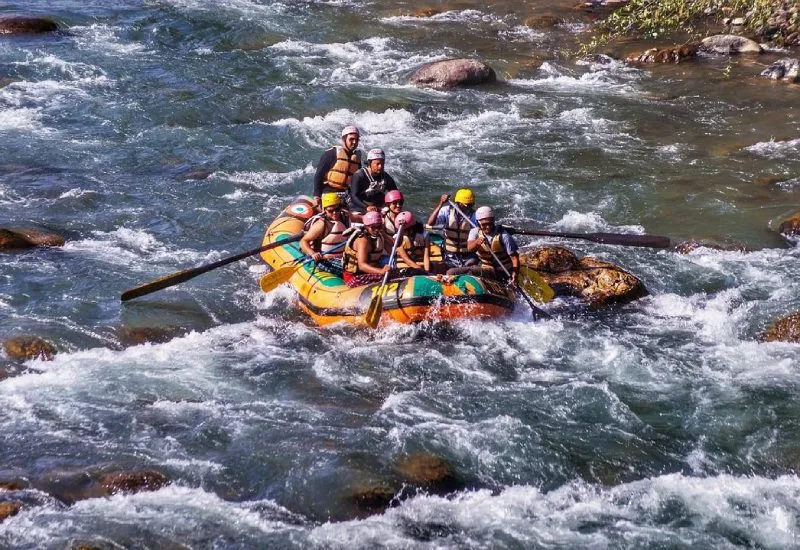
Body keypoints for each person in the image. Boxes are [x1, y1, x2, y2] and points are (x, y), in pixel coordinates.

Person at [446, 206, 519, 284]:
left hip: (503, 271)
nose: (488, 227)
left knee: (453, 271)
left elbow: (514, 258)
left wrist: (515, 274)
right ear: (478, 223)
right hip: (486, 269)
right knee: (452, 272)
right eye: (484, 224)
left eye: (490, 223)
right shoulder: (474, 232)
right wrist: (477, 242)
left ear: (493, 221)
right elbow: (470, 248)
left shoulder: (504, 236)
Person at [300, 193, 359, 274]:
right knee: (353, 269)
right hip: (325, 260)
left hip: (342, 258)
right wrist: (312, 253)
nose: (335, 213)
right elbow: (303, 241)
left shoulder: (345, 217)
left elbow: (360, 218)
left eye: (337, 209)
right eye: (330, 211)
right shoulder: (321, 224)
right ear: (325, 210)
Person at [313, 125, 362, 210]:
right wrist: (317, 196)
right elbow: (318, 175)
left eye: (356, 140)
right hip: (329, 193)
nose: (354, 142)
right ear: (344, 140)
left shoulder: (356, 159)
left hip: (345, 195)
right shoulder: (331, 154)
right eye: (351, 139)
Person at [427, 188, 478, 268]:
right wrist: (441, 203)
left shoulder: (474, 215)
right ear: (458, 203)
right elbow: (430, 223)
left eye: (470, 205)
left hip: (468, 256)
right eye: (466, 205)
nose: (468, 207)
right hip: (449, 255)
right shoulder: (446, 211)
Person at [342, 211, 395, 287]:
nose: (376, 230)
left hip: (370, 273)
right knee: (385, 278)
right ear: (366, 226)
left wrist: (384, 234)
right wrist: (381, 271)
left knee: (395, 275)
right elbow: (362, 266)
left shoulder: (379, 235)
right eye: (373, 227)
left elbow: (394, 246)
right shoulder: (363, 240)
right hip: (354, 276)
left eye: (379, 227)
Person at [349, 148, 398, 212]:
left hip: (378, 207)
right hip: (360, 207)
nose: (380, 166)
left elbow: (395, 193)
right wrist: (366, 207)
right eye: (377, 164)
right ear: (369, 163)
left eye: (382, 164)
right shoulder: (359, 176)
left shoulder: (386, 177)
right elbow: (354, 196)